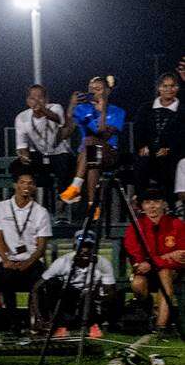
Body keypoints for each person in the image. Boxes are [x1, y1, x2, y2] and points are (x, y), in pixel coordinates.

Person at [122, 188, 185, 330]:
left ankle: (160, 327)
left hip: (172, 272)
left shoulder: (177, 225)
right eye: (147, 202)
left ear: (164, 204)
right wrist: (167, 256)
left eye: (156, 202)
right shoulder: (135, 227)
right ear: (142, 206)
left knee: (164, 273)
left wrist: (153, 261)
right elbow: (135, 256)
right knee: (137, 284)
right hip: (146, 272)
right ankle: (148, 308)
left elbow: (181, 256)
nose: (152, 206)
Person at [0, 172, 51, 311]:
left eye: (30, 183)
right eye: (22, 182)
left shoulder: (41, 212)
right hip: (7, 260)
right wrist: (5, 259)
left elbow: (41, 246)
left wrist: (28, 263)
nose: (26, 186)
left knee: (39, 280)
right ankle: (13, 321)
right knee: (5, 279)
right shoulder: (0, 207)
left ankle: (32, 317)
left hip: (31, 261)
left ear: (34, 187)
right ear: (15, 185)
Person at [60, 75, 127, 204]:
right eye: (91, 89)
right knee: (92, 157)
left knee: (90, 143)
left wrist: (102, 112)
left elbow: (104, 135)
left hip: (109, 153)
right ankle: (93, 207)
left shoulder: (117, 111)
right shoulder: (82, 109)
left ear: (107, 91)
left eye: (98, 89)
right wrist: (71, 107)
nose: (93, 92)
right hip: (87, 156)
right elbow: (67, 131)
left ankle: (75, 187)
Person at [34, 237, 117, 336]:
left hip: (92, 299)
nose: (85, 250)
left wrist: (101, 298)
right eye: (81, 247)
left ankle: (93, 323)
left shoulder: (103, 263)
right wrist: (39, 317)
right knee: (52, 283)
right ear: (74, 248)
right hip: (69, 297)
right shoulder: (62, 261)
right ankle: (57, 324)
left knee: (92, 296)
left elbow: (110, 290)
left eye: (89, 247)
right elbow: (38, 286)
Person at [12, 84, 70, 209]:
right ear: (28, 101)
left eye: (40, 98)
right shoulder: (21, 117)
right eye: (33, 98)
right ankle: (24, 201)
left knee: (65, 167)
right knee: (17, 166)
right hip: (39, 154)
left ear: (46, 100)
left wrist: (42, 109)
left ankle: (62, 201)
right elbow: (21, 144)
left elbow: (58, 119)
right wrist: (24, 155)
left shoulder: (55, 107)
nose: (37, 101)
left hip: (58, 152)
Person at [135, 72, 182, 205]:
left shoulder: (182, 110)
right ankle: (141, 202)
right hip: (148, 152)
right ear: (159, 88)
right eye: (165, 86)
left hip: (172, 154)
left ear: (177, 88)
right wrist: (142, 146)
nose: (169, 89)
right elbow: (138, 130)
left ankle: (170, 205)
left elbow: (182, 137)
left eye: (172, 86)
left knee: (169, 164)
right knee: (142, 162)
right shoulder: (145, 108)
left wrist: (170, 149)